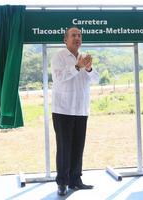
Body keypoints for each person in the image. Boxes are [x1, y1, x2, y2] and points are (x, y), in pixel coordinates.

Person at [51, 27, 99, 196]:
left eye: (79, 35)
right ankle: (62, 183)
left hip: (81, 109)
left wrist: (89, 68)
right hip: (63, 109)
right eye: (73, 35)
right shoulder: (59, 56)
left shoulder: (84, 57)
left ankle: (75, 180)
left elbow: (96, 79)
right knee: (64, 148)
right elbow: (59, 77)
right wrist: (77, 66)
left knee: (78, 147)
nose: (77, 38)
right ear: (65, 39)